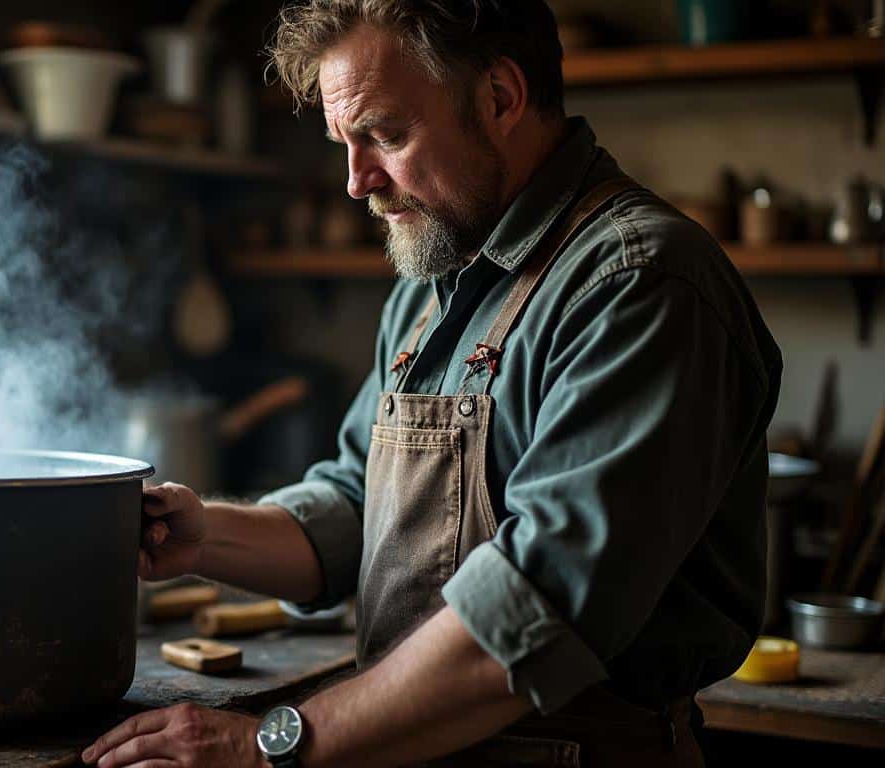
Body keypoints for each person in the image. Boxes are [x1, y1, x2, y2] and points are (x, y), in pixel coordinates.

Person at [83, 2, 781, 766]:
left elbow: (535, 617)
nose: (356, 182)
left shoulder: (639, 284)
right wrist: (204, 534)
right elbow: (358, 505)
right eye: (343, 144)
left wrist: (267, 746)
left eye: (384, 135)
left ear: (501, 97)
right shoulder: (433, 279)